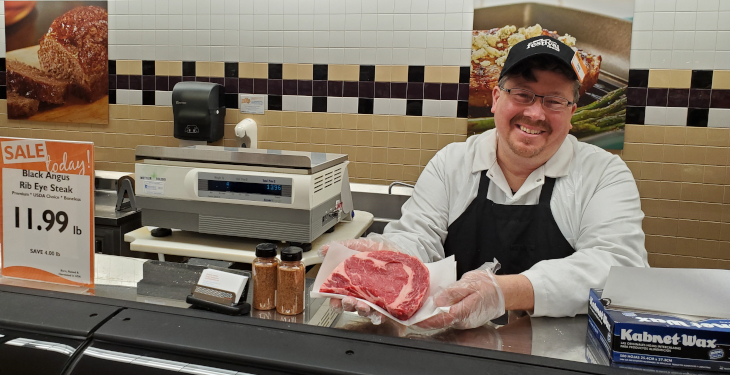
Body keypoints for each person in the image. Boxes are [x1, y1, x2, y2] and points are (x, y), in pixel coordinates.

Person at [326, 36, 648, 329]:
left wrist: (504, 293)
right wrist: (387, 258)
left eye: (554, 101)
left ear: (572, 112)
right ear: (495, 98)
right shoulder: (452, 164)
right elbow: (418, 238)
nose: (536, 113)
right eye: (522, 94)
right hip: (453, 353)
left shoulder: (603, 174)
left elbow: (620, 270)